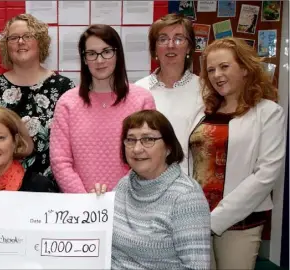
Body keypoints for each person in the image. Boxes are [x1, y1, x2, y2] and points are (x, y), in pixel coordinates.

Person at [189, 37, 286, 270]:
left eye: (224, 66)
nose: (216, 75)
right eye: (211, 70)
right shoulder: (203, 112)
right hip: (196, 218)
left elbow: (266, 175)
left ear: (244, 68)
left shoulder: (269, 112)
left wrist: (216, 220)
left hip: (241, 222)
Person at [94, 110, 211, 269]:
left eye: (148, 139)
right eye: (130, 140)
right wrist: (96, 207)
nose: (136, 149)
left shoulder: (186, 198)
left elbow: (196, 267)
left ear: (168, 147)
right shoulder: (124, 184)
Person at [50, 24, 156, 193]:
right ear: (84, 59)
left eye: (106, 52)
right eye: (91, 54)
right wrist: (84, 199)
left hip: (132, 201)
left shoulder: (142, 99)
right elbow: (60, 160)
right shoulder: (67, 102)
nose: (99, 60)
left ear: (117, 54)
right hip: (82, 206)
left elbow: (149, 154)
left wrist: (117, 196)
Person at [0, 14, 75, 189]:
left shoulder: (64, 88)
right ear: (6, 46)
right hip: (1, 192)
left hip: (54, 191)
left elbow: (76, 145)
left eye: (27, 36)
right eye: (14, 38)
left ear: (40, 42)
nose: (21, 42)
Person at [135, 13, 202, 173]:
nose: (171, 45)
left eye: (179, 38)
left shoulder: (205, 89)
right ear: (154, 49)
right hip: (151, 182)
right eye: (163, 39)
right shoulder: (139, 90)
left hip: (195, 185)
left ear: (189, 47)